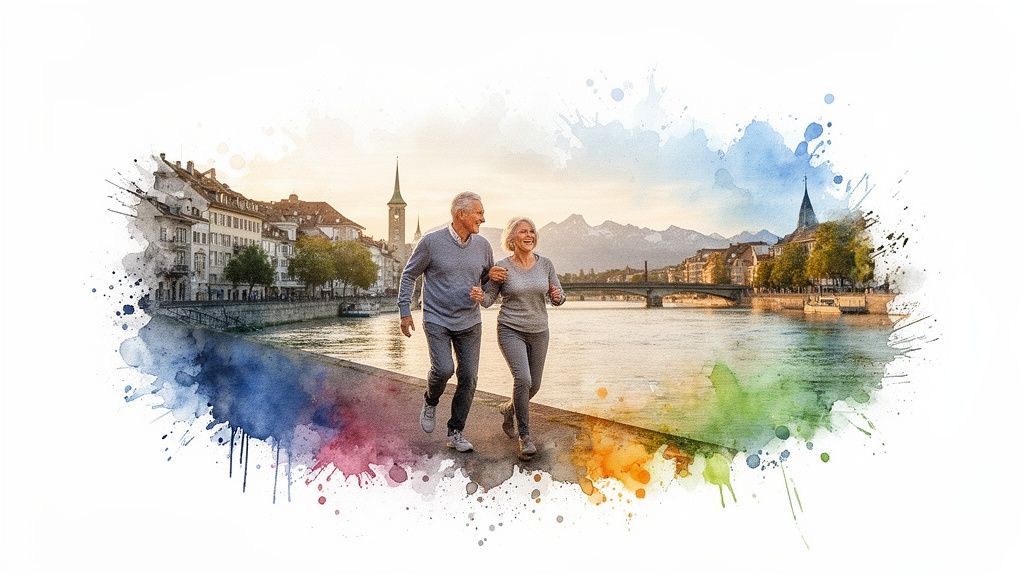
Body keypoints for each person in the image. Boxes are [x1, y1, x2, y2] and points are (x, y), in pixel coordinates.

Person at [397, 191, 505, 453]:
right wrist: (404, 310)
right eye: (479, 213)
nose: (483, 218)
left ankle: (455, 431)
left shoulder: (483, 246)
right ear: (461, 214)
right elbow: (409, 275)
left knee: (468, 377)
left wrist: (487, 285)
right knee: (444, 369)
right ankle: (430, 399)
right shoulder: (431, 242)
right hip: (437, 317)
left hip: (470, 320)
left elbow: (486, 282)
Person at [482, 217, 564, 460]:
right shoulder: (502, 267)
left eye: (532, 231)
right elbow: (488, 300)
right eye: (523, 232)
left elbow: (559, 296)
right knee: (523, 379)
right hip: (510, 329)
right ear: (512, 238)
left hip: (539, 330)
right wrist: (479, 292)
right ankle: (525, 437)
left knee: (534, 385)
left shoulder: (546, 264)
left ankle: (509, 409)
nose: (529, 235)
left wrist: (558, 297)